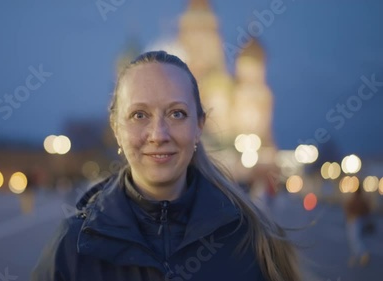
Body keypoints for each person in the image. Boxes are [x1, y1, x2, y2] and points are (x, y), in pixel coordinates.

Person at [32, 51, 300, 281]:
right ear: (116, 129)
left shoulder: (250, 241)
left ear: (199, 127)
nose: (158, 135)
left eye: (177, 114)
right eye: (139, 115)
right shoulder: (75, 246)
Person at [344, 186, 371, 267]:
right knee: (356, 239)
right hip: (360, 221)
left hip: (354, 221)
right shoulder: (363, 200)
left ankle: (363, 254)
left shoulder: (355, 200)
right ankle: (355, 256)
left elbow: (348, 208)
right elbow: (367, 210)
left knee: (354, 239)